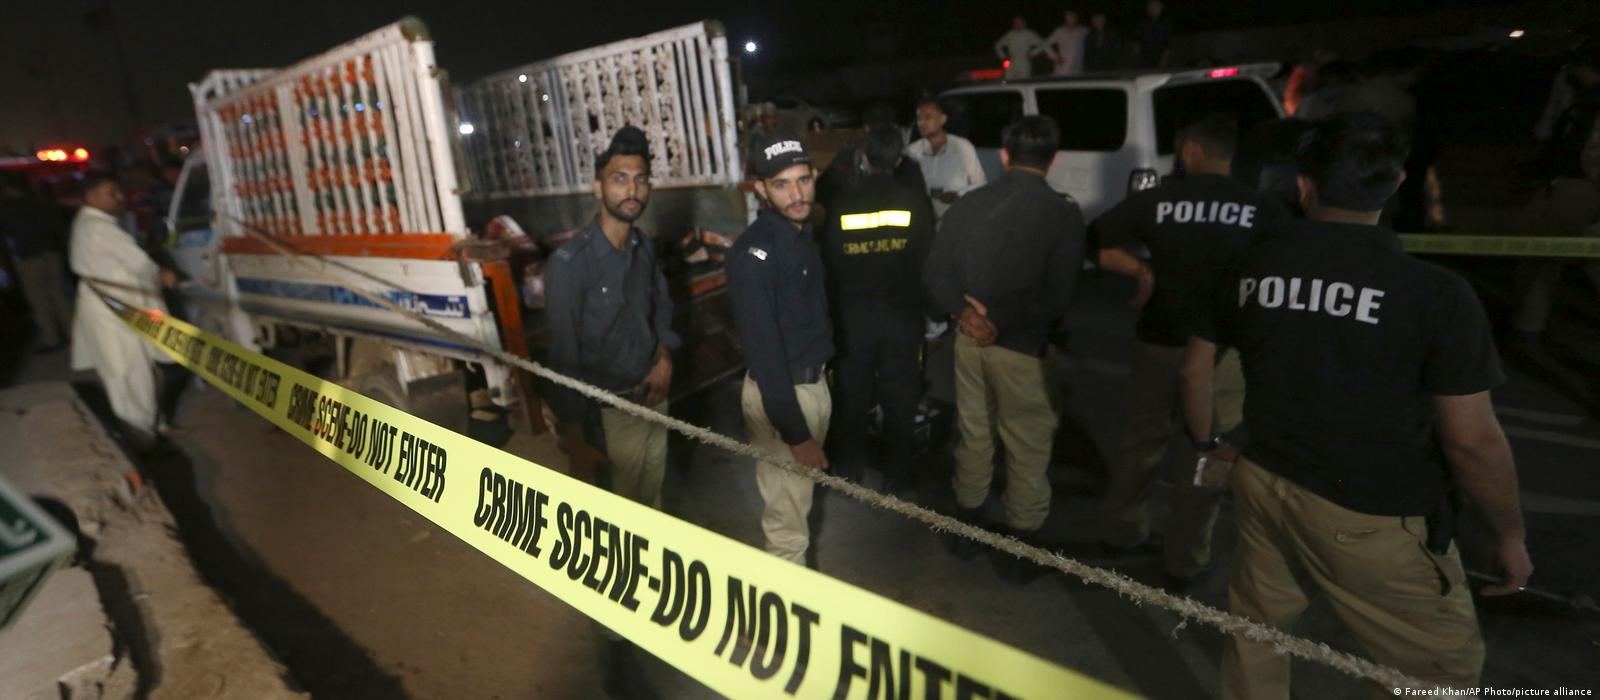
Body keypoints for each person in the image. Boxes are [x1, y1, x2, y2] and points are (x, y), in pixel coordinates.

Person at [1180, 113, 1532, 696]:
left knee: (1257, 632)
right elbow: (1470, 440)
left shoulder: (1249, 265)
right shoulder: (1435, 293)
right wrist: (1510, 533)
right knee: (1438, 672)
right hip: (1370, 510)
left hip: (1265, 481)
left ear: (1304, 185)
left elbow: (1196, 369)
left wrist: (1209, 445)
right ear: (1396, 182)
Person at [1091, 114, 1289, 589]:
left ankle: (1122, 531)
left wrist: (1139, 270)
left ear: (1191, 150)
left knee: (1142, 439)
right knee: (1209, 451)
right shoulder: (1262, 208)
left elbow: (1094, 240)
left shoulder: (1159, 200)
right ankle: (1186, 557)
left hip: (1160, 340)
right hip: (1225, 353)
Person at [923, 116, 1086, 583]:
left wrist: (967, 315)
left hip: (969, 341)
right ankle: (1019, 552)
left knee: (974, 433)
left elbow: (935, 272)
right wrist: (1000, 320)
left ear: (1005, 156)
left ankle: (966, 530)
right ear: (1054, 159)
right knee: (1027, 446)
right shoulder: (1063, 214)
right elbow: (1059, 296)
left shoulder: (969, 205)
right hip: (1024, 348)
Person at [542, 126, 680, 507]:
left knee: (654, 505)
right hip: (609, 414)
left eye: (640, 180)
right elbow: (563, 357)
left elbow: (662, 307)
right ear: (598, 188)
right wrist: (576, 445)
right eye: (619, 179)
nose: (632, 190)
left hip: (654, 397)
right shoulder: (570, 264)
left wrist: (664, 356)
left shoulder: (643, 246)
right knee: (619, 518)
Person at [727, 132, 834, 566]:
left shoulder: (800, 235)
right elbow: (765, 355)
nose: (797, 194)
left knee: (797, 507)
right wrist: (797, 434)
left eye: (803, 180)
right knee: (787, 528)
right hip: (784, 396)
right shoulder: (754, 254)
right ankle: (786, 607)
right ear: (761, 189)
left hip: (811, 385)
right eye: (782, 185)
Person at [817, 127, 936, 494]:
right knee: (900, 397)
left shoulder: (842, 203)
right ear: (898, 159)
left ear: (864, 159)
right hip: (902, 316)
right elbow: (927, 262)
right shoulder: (915, 202)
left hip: (854, 318)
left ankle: (849, 470)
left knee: (852, 394)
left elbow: (830, 262)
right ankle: (897, 476)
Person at [69, 172, 179, 443]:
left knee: (134, 368)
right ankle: (141, 433)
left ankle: (151, 425)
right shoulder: (98, 227)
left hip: (115, 305)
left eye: (118, 192)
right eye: (111, 193)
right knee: (127, 371)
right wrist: (162, 275)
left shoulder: (91, 222)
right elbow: (139, 262)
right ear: (91, 196)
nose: (119, 198)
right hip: (113, 309)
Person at [1512, 47, 1600, 341]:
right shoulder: (1582, 99)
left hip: (1576, 185)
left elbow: (1590, 152)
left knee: (1551, 257)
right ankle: (1527, 320)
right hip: (1562, 182)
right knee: (1540, 253)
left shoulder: (1589, 102)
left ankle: (1529, 323)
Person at [0, 176, 72, 352]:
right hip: (51, 253)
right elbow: (59, 227)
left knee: (38, 300)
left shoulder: (6, 207)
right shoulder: (41, 203)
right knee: (59, 296)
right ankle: (72, 333)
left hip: (29, 257)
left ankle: (51, 339)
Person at [905, 97, 987, 220]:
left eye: (928, 117)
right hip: (925, 218)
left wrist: (958, 194)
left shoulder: (962, 147)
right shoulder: (912, 151)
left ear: (942, 119)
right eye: (919, 118)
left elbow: (981, 182)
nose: (921, 123)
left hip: (956, 216)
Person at [994, 16, 1045, 80]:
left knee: (1023, 81)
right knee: (1009, 81)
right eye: (1015, 22)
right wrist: (1003, 56)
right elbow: (998, 45)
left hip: (1023, 61)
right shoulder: (1010, 34)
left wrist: (1033, 53)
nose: (1017, 24)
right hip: (1011, 61)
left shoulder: (1029, 34)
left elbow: (1043, 44)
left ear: (1024, 23)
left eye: (1019, 22)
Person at [1043, 10, 1090, 76]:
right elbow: (1045, 44)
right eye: (1068, 17)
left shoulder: (1083, 30)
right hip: (1063, 67)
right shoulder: (1060, 31)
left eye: (1072, 17)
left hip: (1078, 68)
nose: (1070, 19)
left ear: (1076, 18)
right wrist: (1055, 57)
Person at [1131, 0, 1173, 68]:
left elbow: (1168, 46)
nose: (1153, 9)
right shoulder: (1142, 23)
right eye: (1151, 6)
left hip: (1160, 60)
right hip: (1144, 61)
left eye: (1156, 6)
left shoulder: (1166, 24)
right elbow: (1136, 43)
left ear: (1161, 7)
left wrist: (1163, 60)